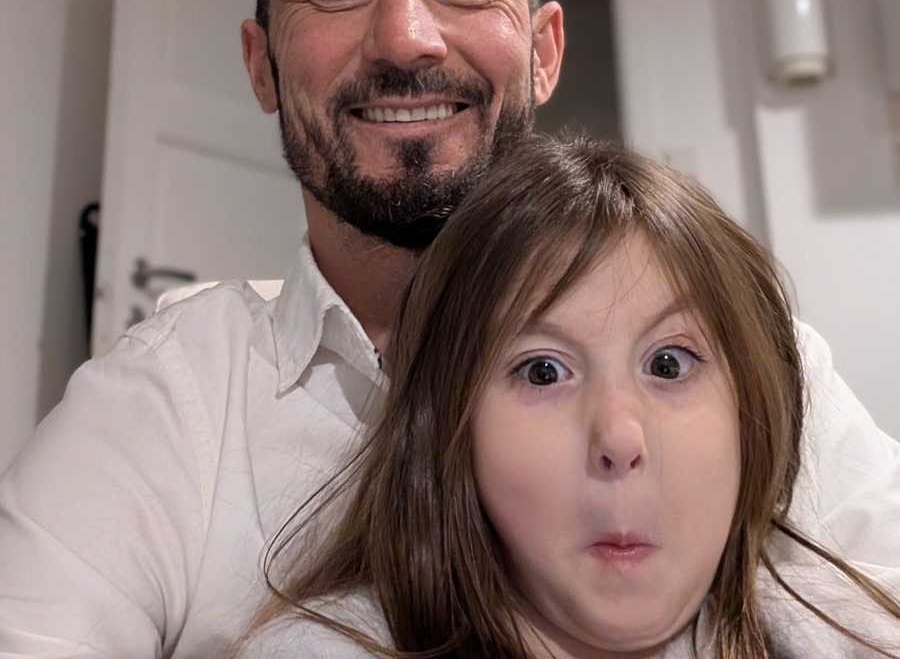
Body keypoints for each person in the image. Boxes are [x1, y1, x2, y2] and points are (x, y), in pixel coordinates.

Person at [0, 0, 896, 658]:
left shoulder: (751, 360)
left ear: (544, 53)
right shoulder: (166, 404)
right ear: (260, 65)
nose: (406, 39)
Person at [245, 136, 900, 659]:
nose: (619, 436)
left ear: (752, 420)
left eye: (668, 364)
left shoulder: (851, 632)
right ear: (451, 432)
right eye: (542, 372)